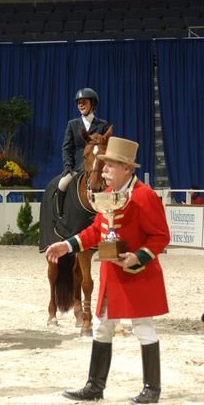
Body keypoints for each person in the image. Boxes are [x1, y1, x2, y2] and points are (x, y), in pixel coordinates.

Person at [46, 136, 169, 404]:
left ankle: (152, 389)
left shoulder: (145, 196)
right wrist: (67, 246)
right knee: (102, 328)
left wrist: (137, 257)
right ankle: (94, 387)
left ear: (127, 169)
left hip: (138, 275)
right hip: (112, 277)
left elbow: (161, 236)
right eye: (103, 166)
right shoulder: (108, 197)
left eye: (109, 166)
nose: (103, 171)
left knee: (144, 328)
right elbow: (95, 232)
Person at [58, 87, 110, 212]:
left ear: (92, 104)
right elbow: (67, 148)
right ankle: (61, 213)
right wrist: (68, 165)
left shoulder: (103, 125)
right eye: (78, 103)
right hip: (77, 167)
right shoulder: (72, 124)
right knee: (62, 184)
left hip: (98, 168)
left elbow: (107, 148)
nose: (80, 105)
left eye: (84, 102)